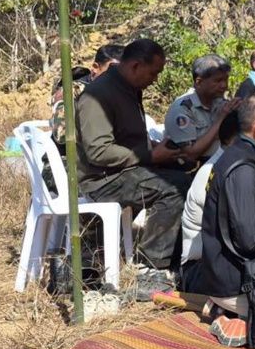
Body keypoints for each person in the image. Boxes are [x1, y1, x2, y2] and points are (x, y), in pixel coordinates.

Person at [183, 93, 255, 346]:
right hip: (235, 284)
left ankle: (235, 313)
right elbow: (250, 241)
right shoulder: (243, 169)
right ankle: (236, 314)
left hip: (233, 275)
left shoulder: (244, 156)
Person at [76, 39, 191, 280]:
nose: (156, 79)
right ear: (136, 66)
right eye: (154, 73)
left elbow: (128, 137)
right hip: (102, 180)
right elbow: (98, 152)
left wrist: (158, 149)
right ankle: (150, 268)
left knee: (190, 171)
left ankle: (181, 258)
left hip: (125, 170)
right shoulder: (98, 95)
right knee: (174, 188)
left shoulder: (129, 88)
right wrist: (149, 154)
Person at [178, 112, 240, 276]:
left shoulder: (235, 167)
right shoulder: (213, 172)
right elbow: (243, 233)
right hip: (202, 268)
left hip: (224, 260)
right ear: (235, 140)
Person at [164, 54, 241, 167]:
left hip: (221, 162)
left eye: (226, 80)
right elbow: (190, 154)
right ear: (199, 82)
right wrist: (221, 118)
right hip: (193, 170)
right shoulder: (182, 109)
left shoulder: (218, 102)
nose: (224, 85)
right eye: (218, 80)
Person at [50, 44, 124, 148]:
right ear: (95, 68)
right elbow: (62, 135)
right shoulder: (71, 91)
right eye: (113, 72)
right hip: (68, 159)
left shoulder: (120, 93)